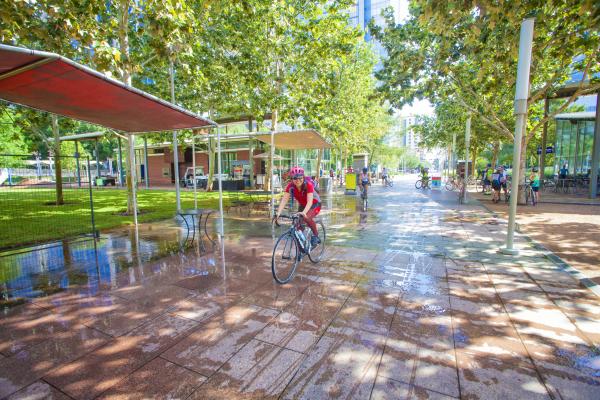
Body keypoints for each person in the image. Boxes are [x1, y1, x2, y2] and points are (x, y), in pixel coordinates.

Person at [274, 166, 322, 248]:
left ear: (303, 177)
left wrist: (304, 213)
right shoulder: (290, 186)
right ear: (292, 179)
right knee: (297, 226)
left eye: (300, 178)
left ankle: (316, 236)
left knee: (306, 218)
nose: (298, 180)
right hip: (303, 205)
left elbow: (310, 202)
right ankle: (301, 248)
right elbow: (284, 200)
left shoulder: (308, 185)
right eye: (295, 178)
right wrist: (278, 213)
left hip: (315, 204)